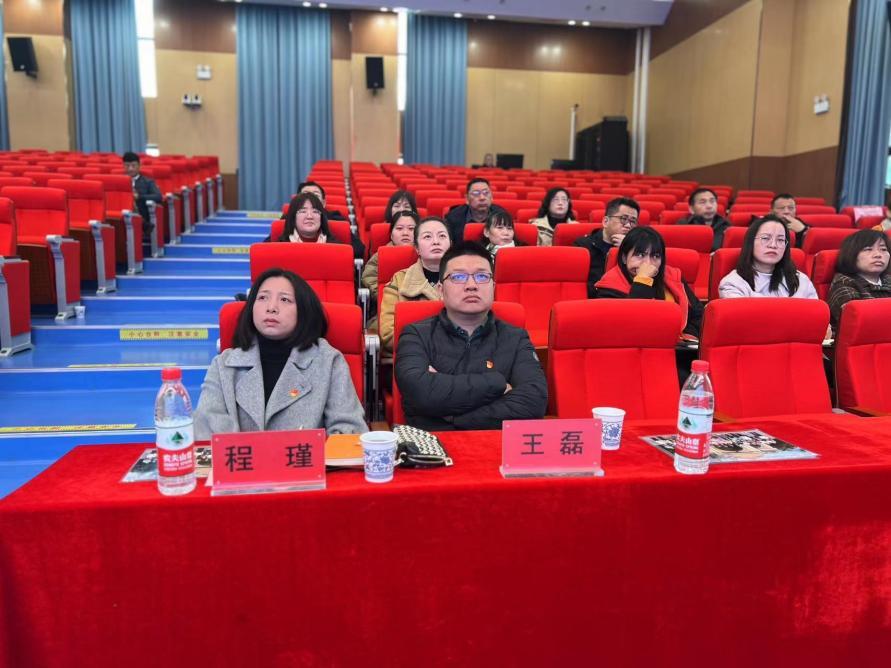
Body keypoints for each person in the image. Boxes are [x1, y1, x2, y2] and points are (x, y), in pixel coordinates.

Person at [194, 268, 368, 438]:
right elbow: (207, 430)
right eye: (262, 298)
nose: (271, 307)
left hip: (307, 458)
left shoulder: (328, 361)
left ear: (304, 310)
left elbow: (350, 430)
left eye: (285, 300)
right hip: (239, 458)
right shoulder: (224, 365)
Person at [395, 242, 548, 430]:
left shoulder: (516, 338)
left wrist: (448, 419)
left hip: (498, 444)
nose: (471, 286)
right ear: (441, 290)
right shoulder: (417, 334)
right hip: (433, 445)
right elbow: (420, 393)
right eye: (458, 277)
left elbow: (533, 402)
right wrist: (498, 383)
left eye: (482, 276)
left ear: (493, 287)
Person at [594, 226, 703, 338]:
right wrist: (643, 280)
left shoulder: (672, 276)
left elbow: (698, 314)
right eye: (640, 255)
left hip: (677, 345)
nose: (648, 263)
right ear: (624, 258)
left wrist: (687, 336)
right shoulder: (609, 287)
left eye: (655, 256)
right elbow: (628, 324)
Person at [379, 217, 451, 356]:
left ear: (451, 245)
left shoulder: (467, 280)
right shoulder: (399, 281)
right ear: (417, 248)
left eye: (442, 236)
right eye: (427, 237)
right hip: (413, 355)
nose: (436, 241)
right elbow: (388, 334)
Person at [718, 215, 818, 299]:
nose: (773, 245)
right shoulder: (733, 284)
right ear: (751, 243)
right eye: (765, 238)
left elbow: (816, 314)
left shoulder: (801, 281)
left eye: (780, 240)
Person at [573, 197, 641, 298]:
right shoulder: (583, 246)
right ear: (605, 221)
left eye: (633, 221)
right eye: (623, 219)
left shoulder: (638, 249)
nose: (628, 225)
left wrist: (628, 247)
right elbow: (579, 286)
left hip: (625, 300)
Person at [361, 210, 419, 327]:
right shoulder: (382, 254)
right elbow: (369, 277)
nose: (405, 233)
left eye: (411, 229)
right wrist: (387, 296)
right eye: (399, 228)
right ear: (391, 234)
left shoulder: (425, 254)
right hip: (387, 308)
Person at [827, 228, 891, 330]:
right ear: (851, 254)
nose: (878, 255)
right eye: (868, 249)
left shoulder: (888, 280)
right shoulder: (843, 286)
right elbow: (862, 323)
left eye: (883, 249)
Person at [296, 181, 365, 258]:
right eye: (305, 195)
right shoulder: (288, 220)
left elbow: (358, 249)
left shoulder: (336, 219)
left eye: (316, 195)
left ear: (324, 203)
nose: (311, 199)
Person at [444, 178, 508, 242]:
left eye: (486, 193)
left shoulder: (502, 215)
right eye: (476, 193)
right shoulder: (453, 218)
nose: (482, 198)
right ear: (467, 199)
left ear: (491, 197)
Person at [123, 151, 162, 237]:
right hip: (123, 212)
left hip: (142, 210)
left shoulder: (147, 181)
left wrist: (140, 197)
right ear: (123, 166)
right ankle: (144, 225)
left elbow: (158, 196)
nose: (130, 169)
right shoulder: (119, 180)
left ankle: (142, 223)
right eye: (127, 166)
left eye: (133, 166)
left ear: (139, 166)